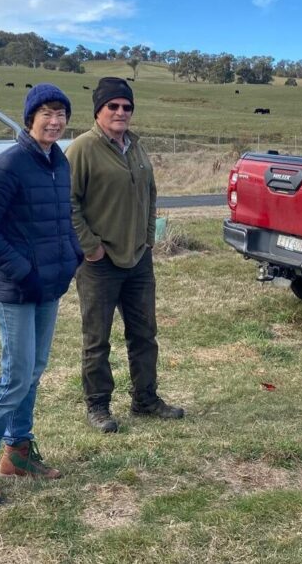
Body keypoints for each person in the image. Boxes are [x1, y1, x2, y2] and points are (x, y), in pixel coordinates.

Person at [0, 84, 82, 505]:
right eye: (47, 112)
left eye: (61, 113)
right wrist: (24, 271)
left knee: (34, 370)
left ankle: (17, 452)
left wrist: (73, 257)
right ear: (30, 117)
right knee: (15, 376)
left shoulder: (59, 162)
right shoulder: (7, 165)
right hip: (16, 289)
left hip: (48, 285)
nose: (55, 121)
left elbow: (62, 218)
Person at [66, 77, 184, 433]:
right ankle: (98, 406)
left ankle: (145, 399)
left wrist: (149, 237)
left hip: (138, 259)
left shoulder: (135, 146)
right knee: (97, 338)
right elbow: (67, 203)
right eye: (113, 106)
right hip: (99, 264)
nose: (121, 112)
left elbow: (150, 191)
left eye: (126, 107)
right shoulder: (82, 149)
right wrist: (91, 246)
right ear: (98, 110)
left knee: (144, 333)